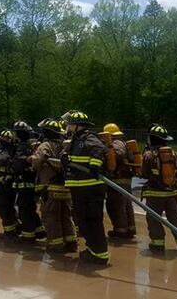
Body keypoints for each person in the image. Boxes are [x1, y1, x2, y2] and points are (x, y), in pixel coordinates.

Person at [62, 111, 110, 265]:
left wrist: (95, 165)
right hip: (80, 188)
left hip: (90, 188)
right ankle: (93, 250)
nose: (67, 126)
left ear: (76, 125)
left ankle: (100, 254)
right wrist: (65, 157)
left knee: (92, 221)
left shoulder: (88, 137)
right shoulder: (76, 139)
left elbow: (99, 149)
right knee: (83, 221)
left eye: (69, 123)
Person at [29, 119, 77, 253]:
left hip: (51, 188)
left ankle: (56, 245)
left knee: (51, 217)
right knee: (66, 216)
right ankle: (71, 243)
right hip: (66, 188)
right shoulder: (65, 145)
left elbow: (37, 163)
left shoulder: (46, 145)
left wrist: (31, 158)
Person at [140, 123, 177, 254]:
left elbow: (143, 174)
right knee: (176, 219)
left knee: (153, 219)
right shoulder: (176, 155)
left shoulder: (149, 155)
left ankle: (158, 244)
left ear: (152, 139)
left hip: (154, 195)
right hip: (172, 193)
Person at [12, 120, 46, 243]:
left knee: (24, 211)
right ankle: (40, 230)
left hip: (25, 184)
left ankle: (28, 236)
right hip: (32, 184)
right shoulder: (32, 146)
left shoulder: (22, 147)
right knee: (31, 209)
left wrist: (12, 162)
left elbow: (18, 165)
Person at [102, 123, 136, 240]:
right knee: (126, 205)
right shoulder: (124, 143)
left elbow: (118, 154)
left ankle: (120, 230)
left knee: (115, 205)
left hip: (117, 179)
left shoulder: (115, 144)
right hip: (125, 179)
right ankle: (130, 229)